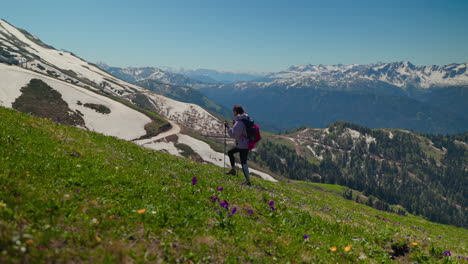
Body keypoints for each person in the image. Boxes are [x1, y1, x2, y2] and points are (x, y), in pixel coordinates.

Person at [225, 105, 251, 186]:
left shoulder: (240, 122)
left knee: (243, 162)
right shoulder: (245, 119)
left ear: (237, 112)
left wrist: (228, 127)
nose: (233, 113)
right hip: (244, 143)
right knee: (230, 152)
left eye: (234, 111)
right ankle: (233, 170)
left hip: (242, 145)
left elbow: (234, 135)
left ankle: (248, 181)